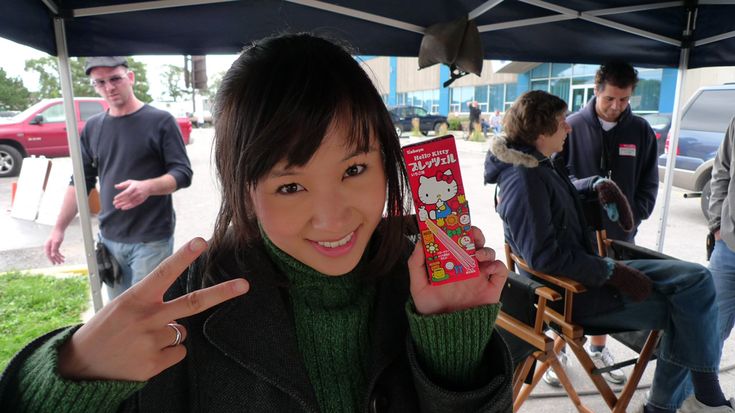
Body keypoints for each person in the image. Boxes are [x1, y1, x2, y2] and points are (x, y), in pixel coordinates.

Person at [1, 34, 513, 412]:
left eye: (354, 169)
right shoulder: (189, 302)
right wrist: (72, 370)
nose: (333, 218)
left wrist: (454, 347)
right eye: (290, 186)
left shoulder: (427, 277)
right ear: (242, 188)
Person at [484, 90, 732, 413]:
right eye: (562, 123)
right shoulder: (523, 180)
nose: (568, 128)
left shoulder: (537, 163)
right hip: (579, 295)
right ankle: (688, 402)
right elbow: (542, 257)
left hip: (591, 273)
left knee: (697, 282)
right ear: (542, 133)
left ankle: (692, 400)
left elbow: (564, 193)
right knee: (689, 302)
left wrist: (597, 184)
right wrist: (611, 272)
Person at [43, 56, 193, 300]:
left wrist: (148, 187)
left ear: (130, 78)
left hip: (151, 239)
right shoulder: (93, 127)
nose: (109, 87)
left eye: (115, 79)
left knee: (147, 311)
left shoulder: (160, 121)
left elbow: (183, 173)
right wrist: (58, 229)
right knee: (118, 314)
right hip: (110, 238)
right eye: (100, 82)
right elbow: (80, 182)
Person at [550, 60, 659, 386]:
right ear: (596, 90)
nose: (616, 106)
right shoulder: (571, 126)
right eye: (610, 98)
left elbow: (649, 184)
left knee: (612, 294)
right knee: (569, 294)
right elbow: (558, 176)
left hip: (620, 236)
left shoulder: (640, 131)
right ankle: (561, 351)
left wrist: (632, 215)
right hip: (574, 234)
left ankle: (599, 350)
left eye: (624, 100)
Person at [707, 116, 735, 345]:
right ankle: (704, 383)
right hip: (728, 246)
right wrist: (717, 224)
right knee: (709, 331)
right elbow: (721, 171)